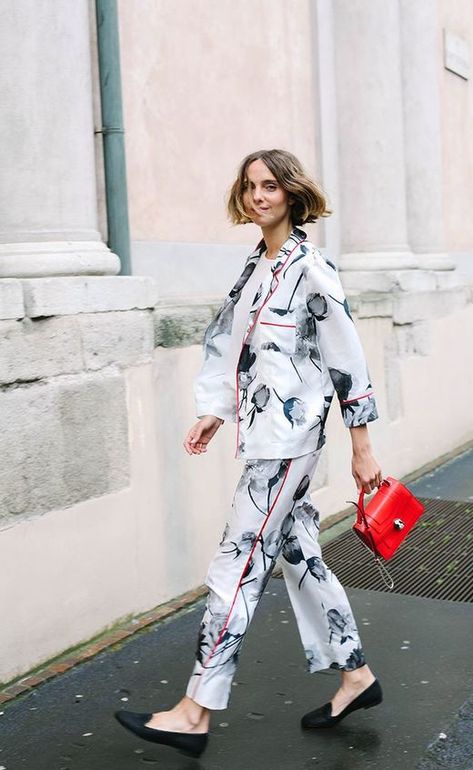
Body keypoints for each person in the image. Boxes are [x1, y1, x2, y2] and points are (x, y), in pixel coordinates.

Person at [115, 149, 383, 758]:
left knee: (236, 566)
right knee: (299, 553)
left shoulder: (311, 267)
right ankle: (356, 675)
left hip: (290, 441)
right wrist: (216, 410)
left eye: (270, 186)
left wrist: (362, 445)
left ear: (292, 193)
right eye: (250, 186)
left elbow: (347, 355)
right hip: (264, 435)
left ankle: (194, 711)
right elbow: (234, 345)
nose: (258, 195)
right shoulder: (256, 266)